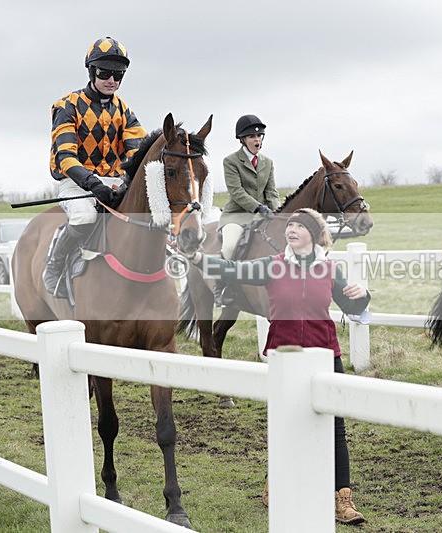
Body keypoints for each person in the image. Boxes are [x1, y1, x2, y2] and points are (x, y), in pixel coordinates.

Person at [183, 208, 368, 525]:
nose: (291, 229)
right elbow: (230, 270)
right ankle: (277, 483)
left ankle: (342, 500)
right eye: (290, 225)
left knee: (336, 430)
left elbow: (352, 307)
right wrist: (198, 258)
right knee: (287, 424)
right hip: (286, 355)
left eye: (299, 225)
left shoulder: (328, 268)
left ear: (313, 233)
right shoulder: (272, 265)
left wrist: (362, 296)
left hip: (326, 355)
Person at [45, 36, 146, 297]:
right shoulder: (67, 106)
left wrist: (126, 183)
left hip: (112, 181)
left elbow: (136, 152)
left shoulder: (125, 111)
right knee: (85, 217)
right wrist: (92, 184)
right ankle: (55, 267)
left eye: (118, 74)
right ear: (92, 71)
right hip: (76, 182)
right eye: (105, 72)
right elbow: (66, 158)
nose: (112, 79)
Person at [214, 114, 280, 306]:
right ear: (243, 139)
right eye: (252, 136)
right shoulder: (231, 161)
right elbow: (236, 192)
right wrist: (258, 206)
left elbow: (272, 191)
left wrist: (277, 211)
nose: (257, 140)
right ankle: (221, 287)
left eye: (259, 136)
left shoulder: (268, 162)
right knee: (229, 246)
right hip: (237, 215)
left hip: (263, 215)